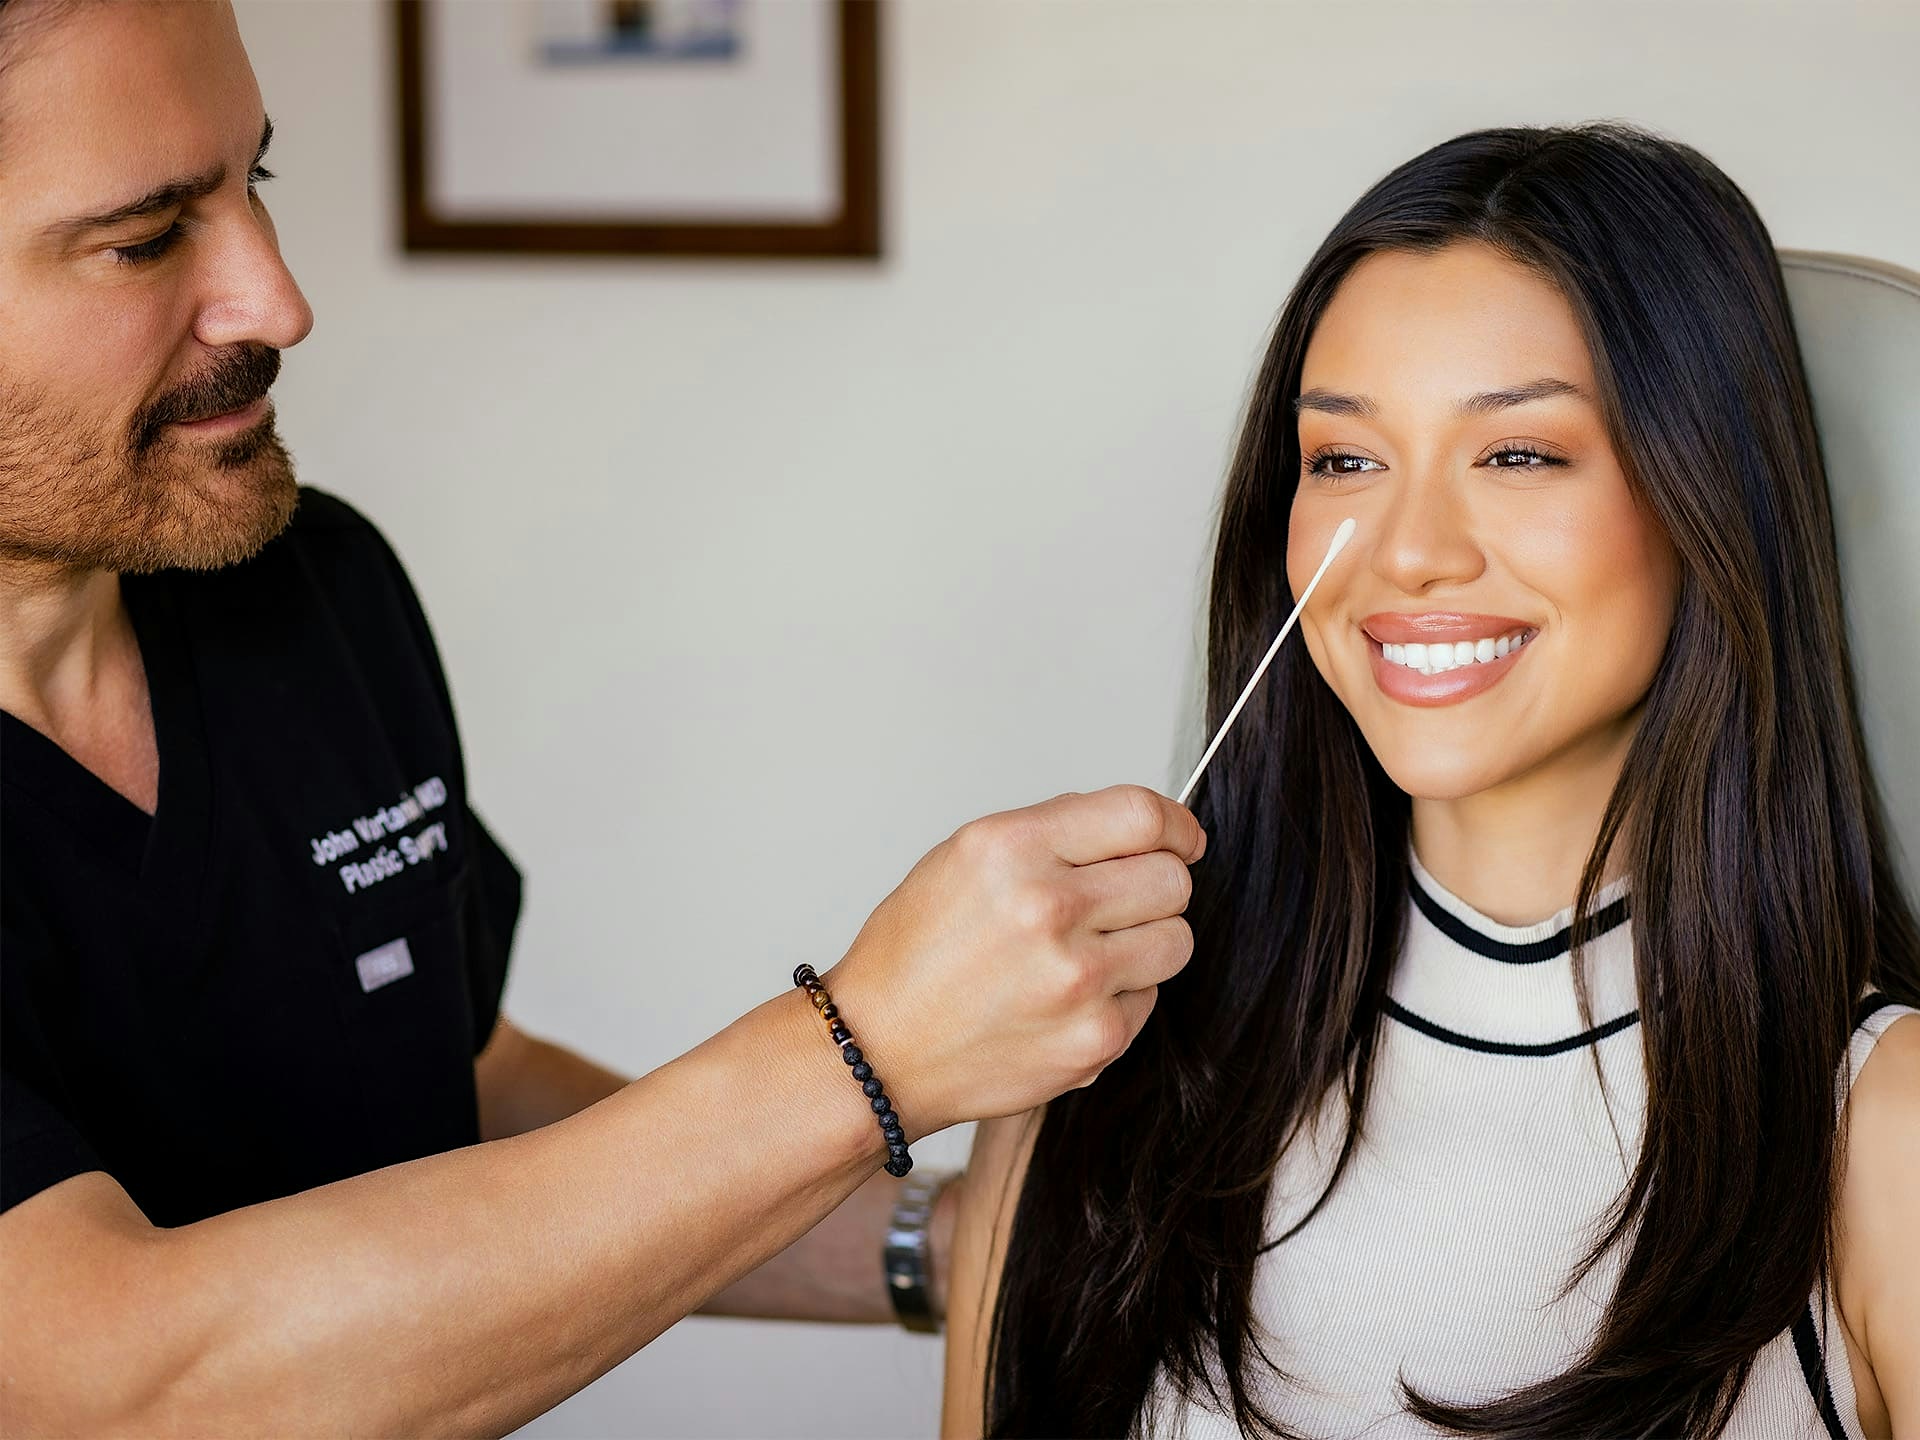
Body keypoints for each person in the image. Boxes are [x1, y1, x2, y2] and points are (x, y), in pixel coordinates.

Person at [0, 0, 1207, 1432]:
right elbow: (126, 1382)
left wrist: (943, 1246)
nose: (278, 300)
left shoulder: (308, 589)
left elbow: (459, 1096)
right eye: (147, 239)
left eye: (253, 182)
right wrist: (866, 1054)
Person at [944, 123, 1920, 1439]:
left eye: (1517, 454)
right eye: (1345, 461)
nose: (1406, 552)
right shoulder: (1095, 1055)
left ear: (1710, 496)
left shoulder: (1886, 1133)